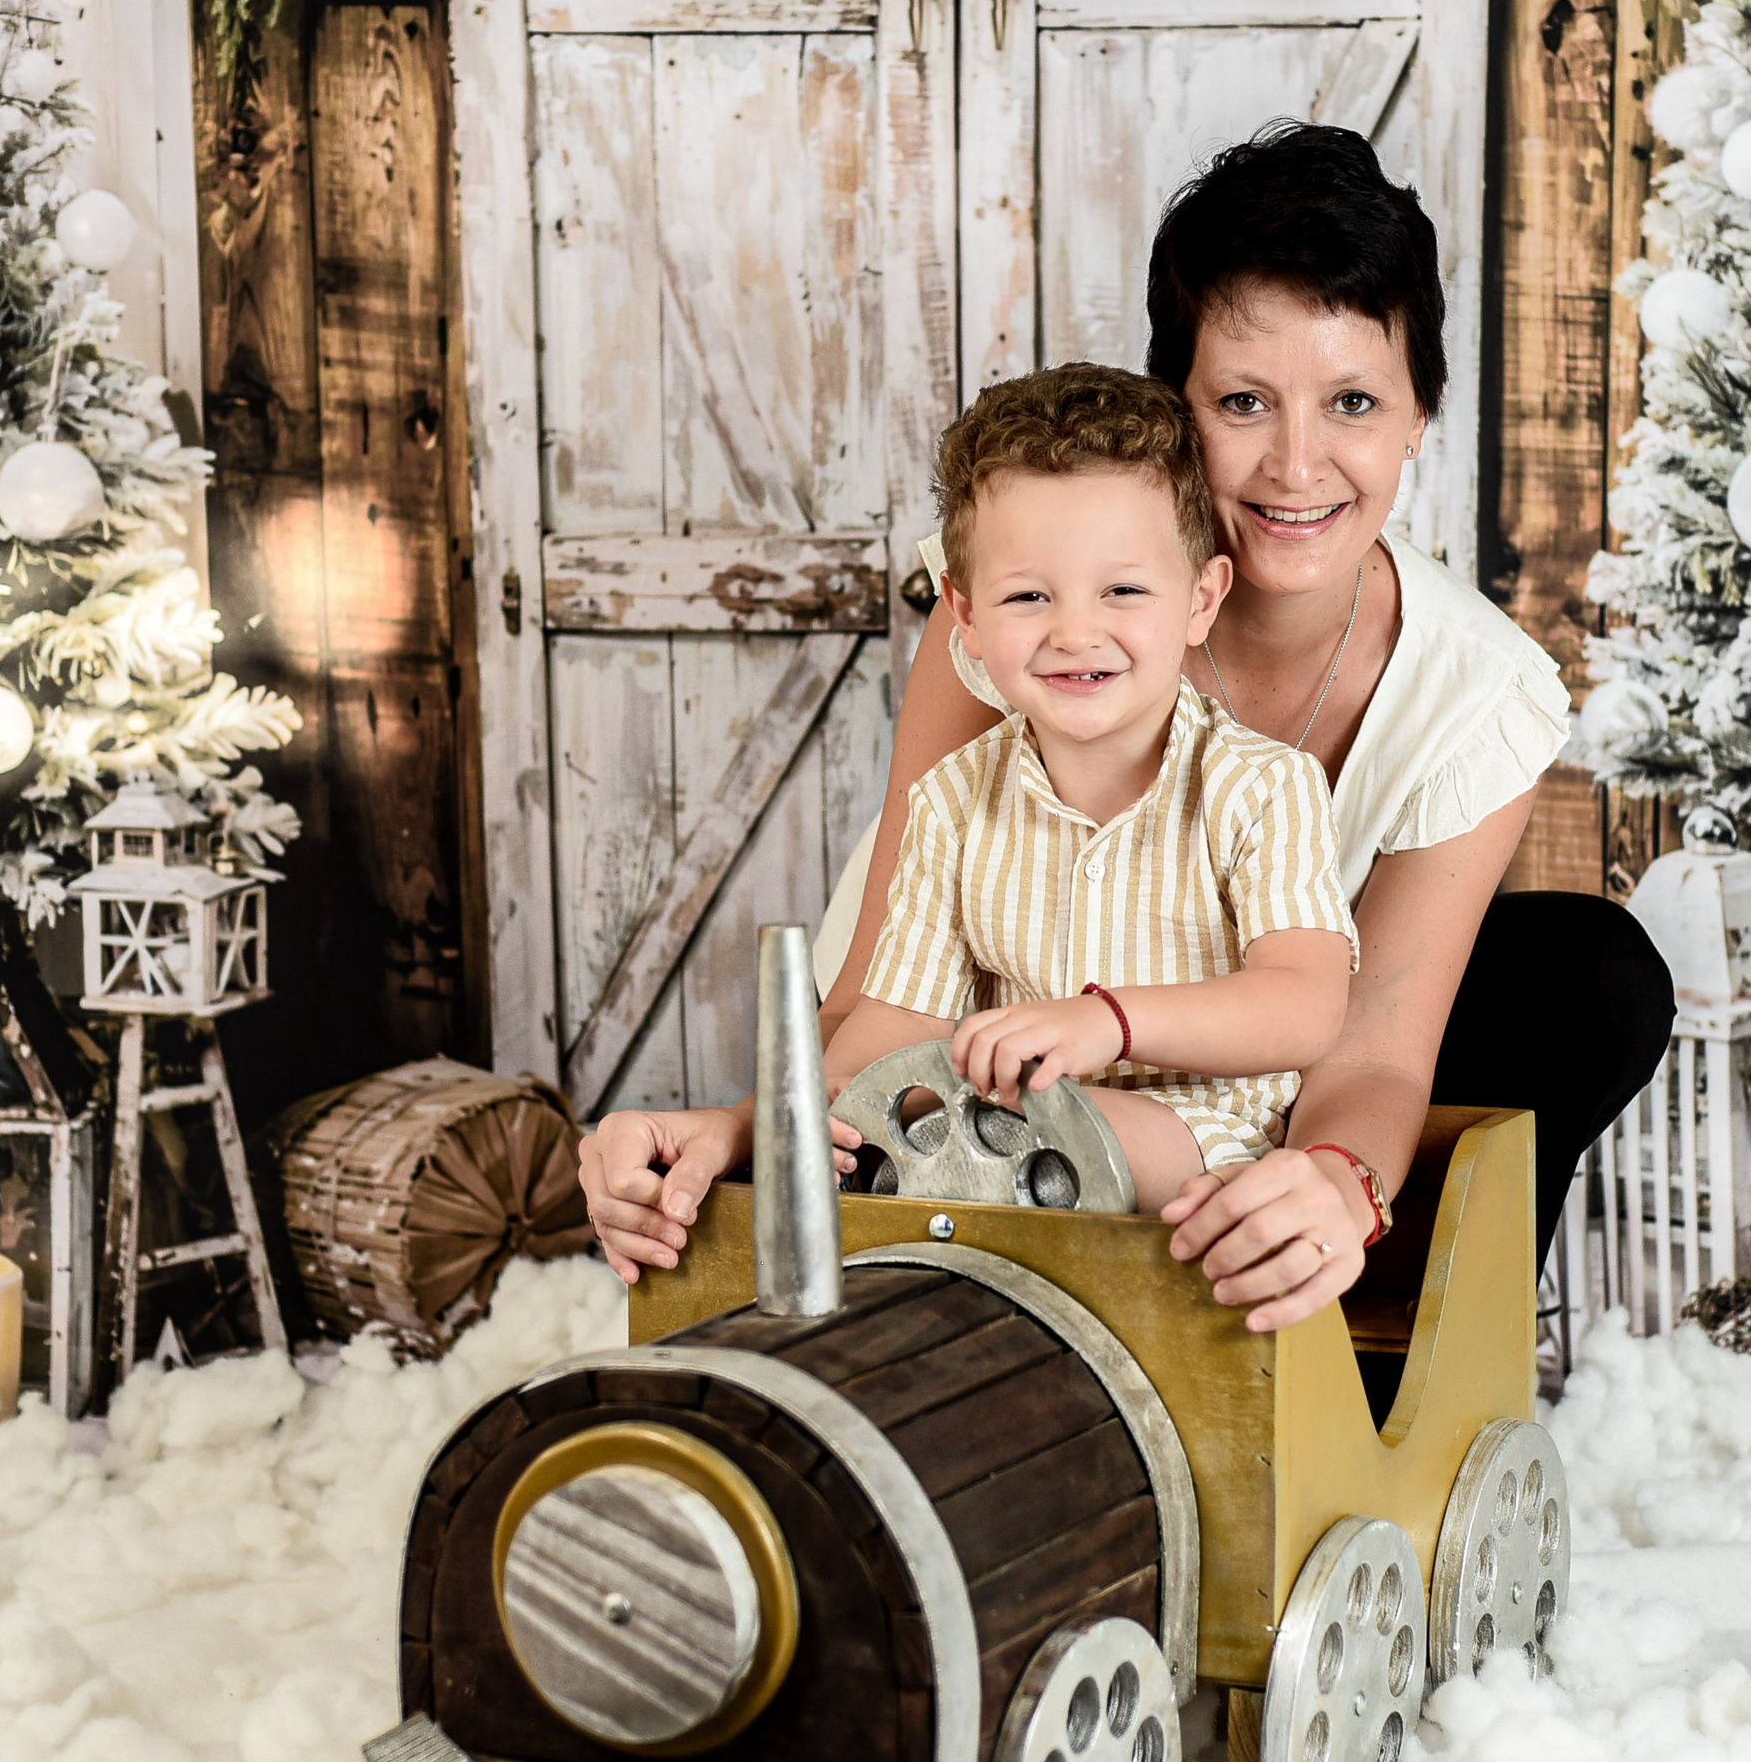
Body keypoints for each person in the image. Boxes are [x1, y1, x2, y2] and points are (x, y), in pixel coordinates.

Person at [580, 120, 1674, 1334]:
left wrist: (1335, 1183)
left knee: (1587, 973)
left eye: (1354, 401)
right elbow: (890, 980)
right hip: (987, 1053)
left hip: (1237, 1078)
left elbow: (1365, 1048)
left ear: (1420, 415)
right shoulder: (1025, 614)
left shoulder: (1471, 685)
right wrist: (746, 1130)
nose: (1297, 464)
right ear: (1174, 411)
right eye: (1243, 402)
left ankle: (1388, 1347)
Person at [828, 364, 1359, 1215]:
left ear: (1200, 598)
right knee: (925, 1137)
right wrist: (833, 1110)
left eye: (1123, 591)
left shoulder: (1262, 787)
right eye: (1028, 596)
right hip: (1001, 1127)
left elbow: (1304, 1003)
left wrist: (1104, 1022)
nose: (1075, 632)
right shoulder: (954, 801)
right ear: (965, 616)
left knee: (1043, 1129)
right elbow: (899, 1028)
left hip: (1204, 1142)